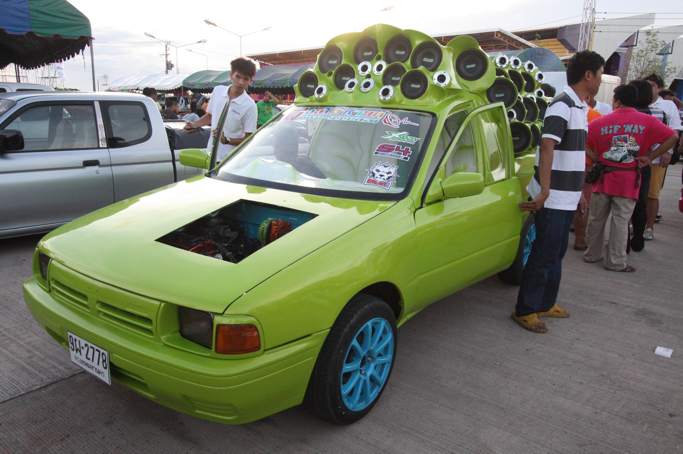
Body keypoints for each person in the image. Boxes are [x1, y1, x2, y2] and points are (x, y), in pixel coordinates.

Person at [512, 51, 605, 334]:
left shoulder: (579, 106)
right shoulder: (562, 105)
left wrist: (579, 194)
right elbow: (547, 147)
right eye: (600, 74)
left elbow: (572, 156)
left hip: (567, 196)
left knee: (557, 253)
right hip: (552, 198)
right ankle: (525, 309)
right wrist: (544, 191)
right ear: (588, 75)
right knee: (544, 253)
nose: (601, 80)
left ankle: (545, 303)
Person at [583, 84, 677, 272]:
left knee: (596, 219)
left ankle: (592, 254)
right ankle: (615, 262)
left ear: (617, 101)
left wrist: (594, 156)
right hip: (628, 179)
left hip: (603, 176)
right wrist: (650, 157)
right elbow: (673, 136)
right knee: (620, 222)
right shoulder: (647, 121)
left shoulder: (600, 122)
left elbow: (582, 139)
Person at [185, 58, 258, 162]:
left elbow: (249, 139)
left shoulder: (250, 106)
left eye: (246, 79)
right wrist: (194, 124)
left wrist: (228, 140)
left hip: (232, 161)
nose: (241, 82)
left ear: (250, 81)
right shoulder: (218, 91)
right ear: (231, 75)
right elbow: (210, 116)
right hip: (210, 156)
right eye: (238, 76)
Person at [628, 79, 666, 252]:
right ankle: (638, 238)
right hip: (645, 164)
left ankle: (623, 242)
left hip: (626, 163)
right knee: (641, 201)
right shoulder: (659, 113)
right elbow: (669, 138)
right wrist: (651, 157)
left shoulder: (627, 113)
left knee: (624, 202)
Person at [643, 74, 683, 239]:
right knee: (636, 194)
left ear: (659, 88)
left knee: (652, 194)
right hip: (639, 157)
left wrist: (668, 152)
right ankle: (634, 224)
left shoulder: (667, 105)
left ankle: (649, 227)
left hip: (658, 158)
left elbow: (674, 130)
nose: (649, 88)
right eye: (646, 85)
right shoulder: (639, 101)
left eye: (652, 85)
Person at [573, 94, 604, 250]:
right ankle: (580, 239)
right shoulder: (596, 116)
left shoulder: (566, 109)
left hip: (565, 164)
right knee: (583, 202)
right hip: (586, 165)